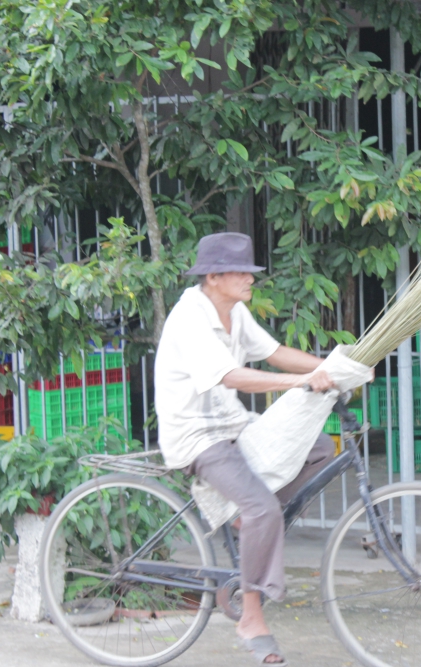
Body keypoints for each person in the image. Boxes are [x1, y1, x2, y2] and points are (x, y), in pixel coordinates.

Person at [154, 232, 342, 666]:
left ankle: (249, 522)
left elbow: (274, 353)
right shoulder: (190, 318)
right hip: (196, 435)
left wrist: (335, 366)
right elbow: (232, 377)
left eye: (249, 271)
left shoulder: (235, 312)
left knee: (317, 449)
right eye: (240, 272)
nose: (249, 279)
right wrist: (301, 382)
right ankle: (251, 616)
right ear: (214, 276)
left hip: (233, 425)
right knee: (264, 509)